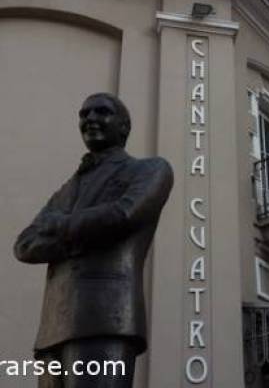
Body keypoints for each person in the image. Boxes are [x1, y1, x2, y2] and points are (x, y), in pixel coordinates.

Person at [14, 92, 173, 387]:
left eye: (102, 112)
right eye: (84, 114)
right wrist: (80, 236)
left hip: (105, 318)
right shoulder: (67, 189)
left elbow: (125, 214)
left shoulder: (150, 169)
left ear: (124, 127)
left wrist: (59, 226)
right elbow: (24, 245)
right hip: (52, 329)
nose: (90, 119)